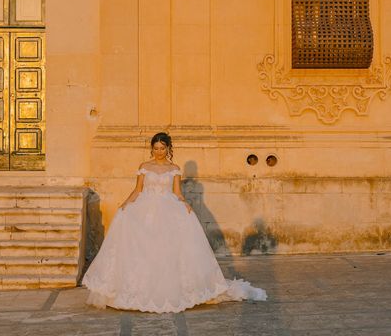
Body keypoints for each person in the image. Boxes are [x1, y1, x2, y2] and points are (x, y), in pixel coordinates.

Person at [82, 132, 267, 313]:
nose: (159, 151)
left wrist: (185, 205)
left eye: (162, 148)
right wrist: (124, 204)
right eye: (155, 148)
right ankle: (137, 291)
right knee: (144, 249)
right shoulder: (144, 166)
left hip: (168, 208)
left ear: (168, 148)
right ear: (151, 148)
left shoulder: (174, 169)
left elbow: (177, 193)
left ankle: (171, 290)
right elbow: (137, 190)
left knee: (167, 249)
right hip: (144, 209)